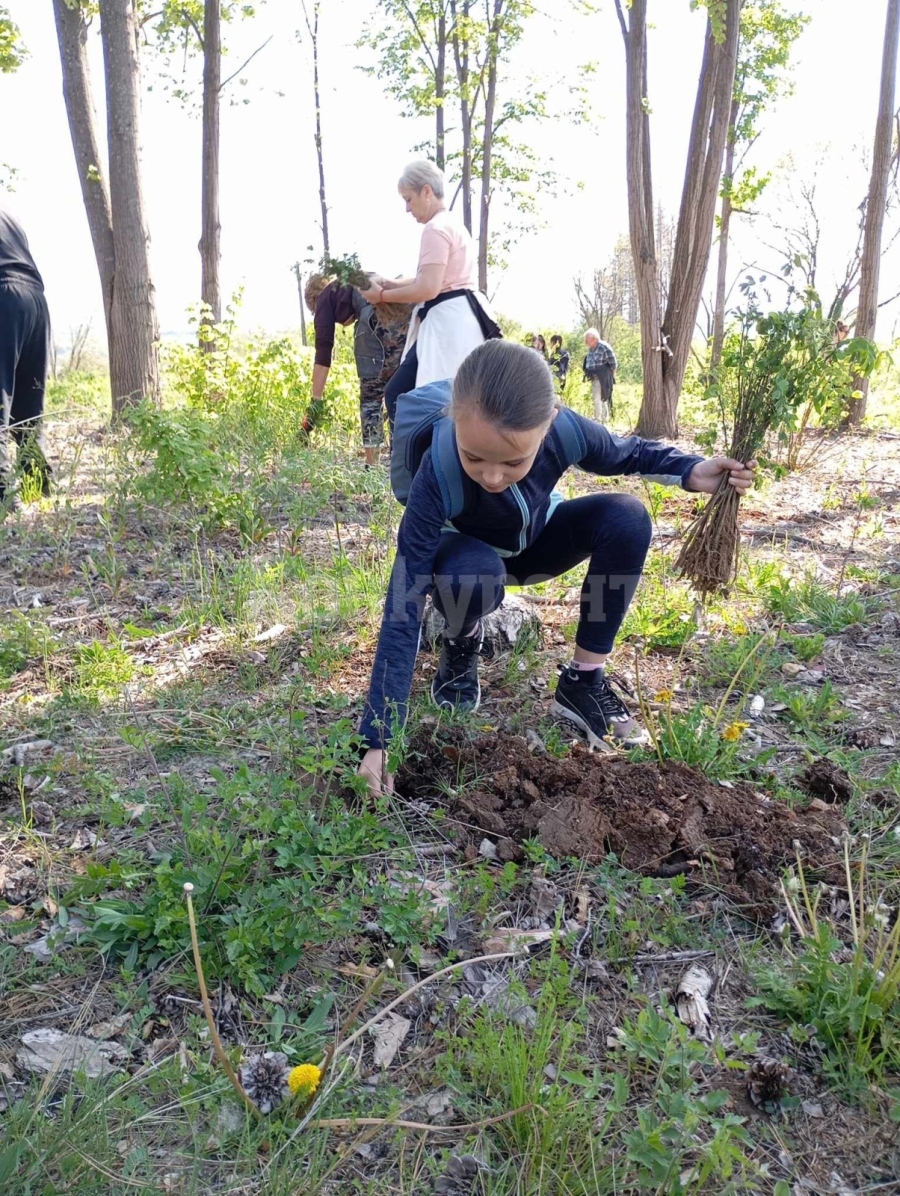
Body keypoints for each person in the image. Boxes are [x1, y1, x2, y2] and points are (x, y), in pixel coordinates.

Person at [357, 340, 757, 796]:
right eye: (475, 457)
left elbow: (626, 453)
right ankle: (461, 641)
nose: (491, 477)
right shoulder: (437, 467)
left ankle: (583, 682)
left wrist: (690, 471)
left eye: (513, 461)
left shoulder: (565, 429)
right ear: (453, 420)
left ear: (547, 424)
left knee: (626, 517)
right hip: (466, 564)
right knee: (473, 576)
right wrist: (380, 738)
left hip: (535, 543)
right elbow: (405, 595)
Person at [361, 160, 497, 424]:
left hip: (448, 323)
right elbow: (435, 278)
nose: (407, 208)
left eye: (409, 199)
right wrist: (391, 284)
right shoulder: (452, 225)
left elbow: (429, 287)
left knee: (420, 401)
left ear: (426, 191)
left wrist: (381, 297)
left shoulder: (435, 229)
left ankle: (421, 461)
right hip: (460, 318)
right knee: (442, 401)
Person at [303, 274, 410, 467]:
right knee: (401, 393)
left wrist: (314, 404)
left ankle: (373, 467)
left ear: (313, 300)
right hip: (403, 319)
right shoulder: (351, 282)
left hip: (372, 322)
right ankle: (404, 461)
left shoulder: (325, 297)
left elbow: (323, 352)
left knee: (371, 399)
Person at [1, 207, 52, 507]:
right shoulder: (9, 218)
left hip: (4, 296)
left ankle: (3, 498)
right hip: (35, 301)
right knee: (29, 406)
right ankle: (37, 489)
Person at [583, 328, 617, 424]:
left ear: (593, 338)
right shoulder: (591, 349)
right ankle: (603, 419)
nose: (585, 342)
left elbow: (613, 363)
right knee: (600, 398)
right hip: (594, 377)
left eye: (587, 339)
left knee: (600, 398)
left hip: (602, 377)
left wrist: (611, 377)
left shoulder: (603, 347)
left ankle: (598, 419)